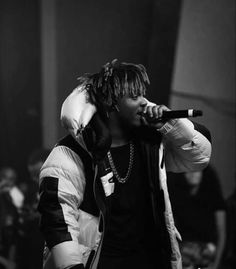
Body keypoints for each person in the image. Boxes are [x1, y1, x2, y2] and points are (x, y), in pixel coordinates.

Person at [37, 59, 212, 269]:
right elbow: (58, 219)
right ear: (112, 104)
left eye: (143, 94)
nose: (144, 102)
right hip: (102, 263)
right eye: (134, 96)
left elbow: (199, 158)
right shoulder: (70, 154)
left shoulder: (151, 142)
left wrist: (169, 124)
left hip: (149, 260)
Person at [167, 166, 226, 269]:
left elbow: (222, 231)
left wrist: (216, 264)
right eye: (189, 171)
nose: (192, 174)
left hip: (207, 251)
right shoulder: (176, 189)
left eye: (197, 170)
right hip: (184, 250)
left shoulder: (212, 189)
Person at [0, 166, 23, 269]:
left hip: (9, 238)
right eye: (5, 178)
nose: (9, 182)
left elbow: (13, 233)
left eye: (12, 179)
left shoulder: (15, 196)